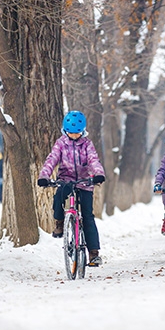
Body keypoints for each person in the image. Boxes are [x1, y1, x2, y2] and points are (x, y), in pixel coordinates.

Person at [37, 111, 107, 266]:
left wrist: (98, 174)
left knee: (88, 216)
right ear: (65, 130)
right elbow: (52, 159)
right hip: (65, 180)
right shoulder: (60, 143)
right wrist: (44, 176)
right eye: (71, 132)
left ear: (82, 131)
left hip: (85, 182)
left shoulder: (87, 144)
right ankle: (60, 222)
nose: (74, 136)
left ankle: (94, 253)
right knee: (58, 197)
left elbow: (93, 160)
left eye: (77, 133)